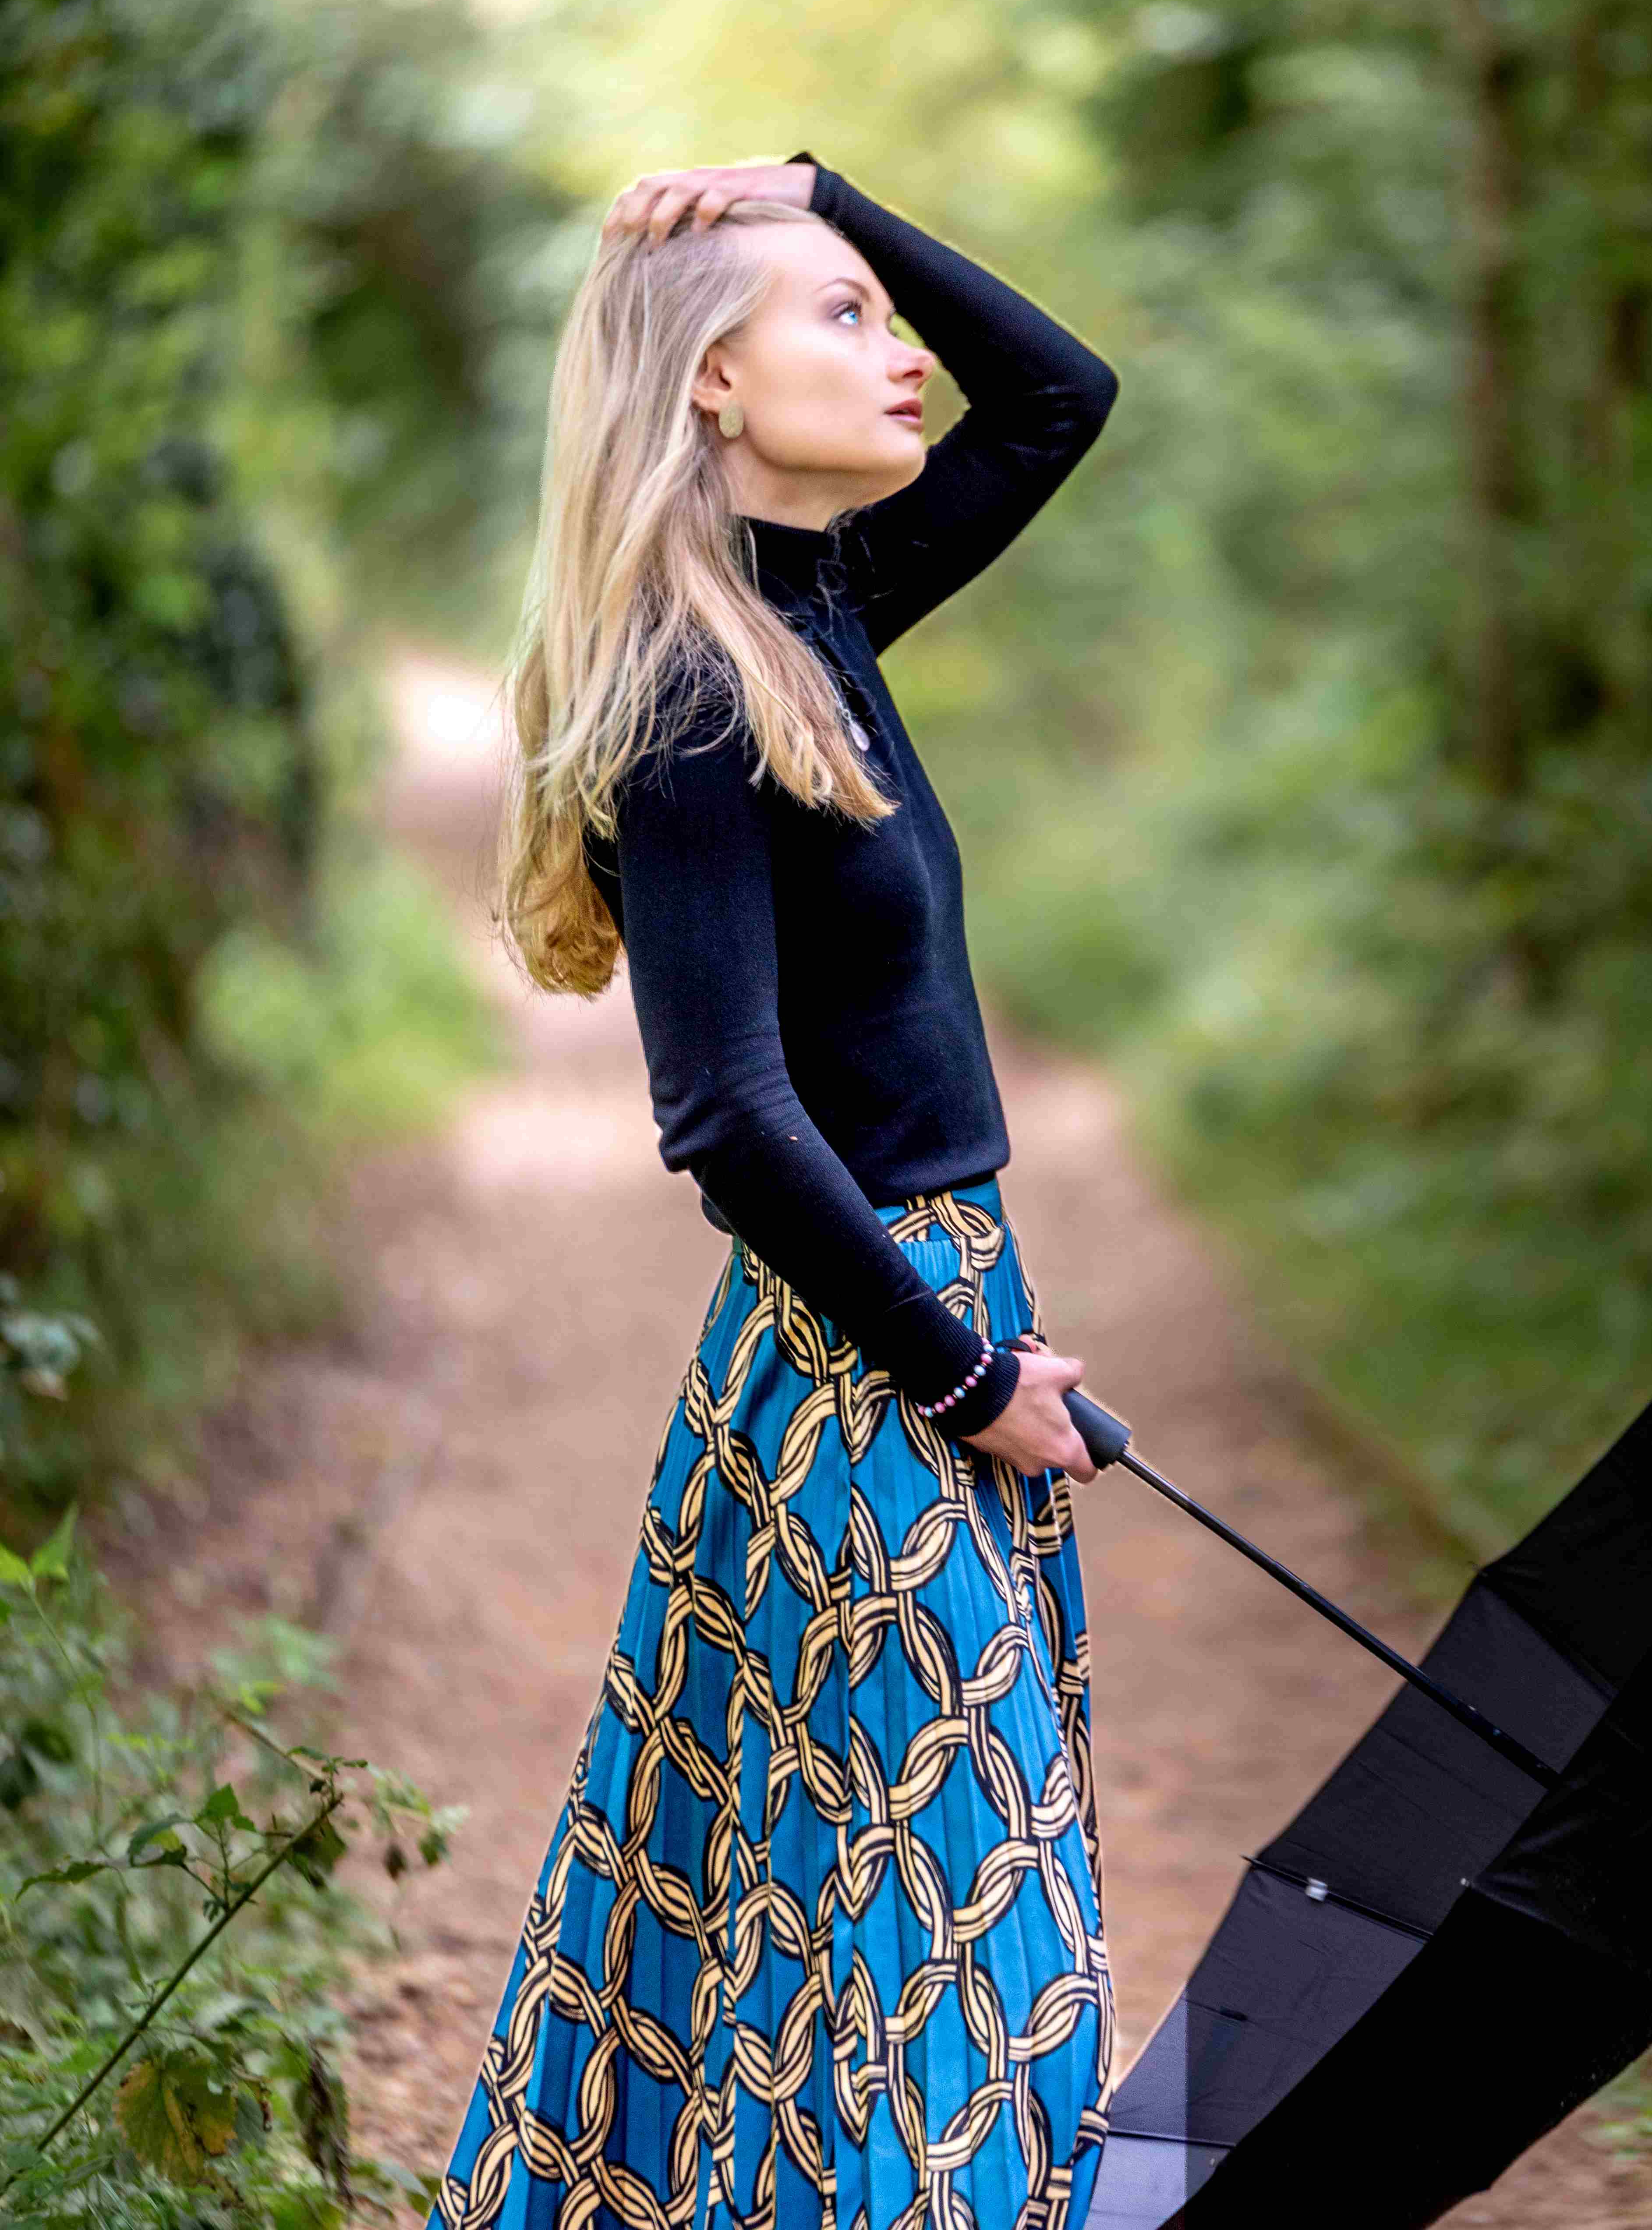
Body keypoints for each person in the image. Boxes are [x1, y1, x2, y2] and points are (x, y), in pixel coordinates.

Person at [425, 151, 1122, 2230]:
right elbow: (724, 1114)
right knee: (967, 1946)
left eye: (876, 312)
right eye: (839, 313)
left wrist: (826, 195)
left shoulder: (812, 612)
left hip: (914, 1316)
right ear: (710, 380)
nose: (896, 349)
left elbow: (1058, 398)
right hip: (869, 1362)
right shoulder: (685, 695)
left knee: (849, 1934)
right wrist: (958, 1371)